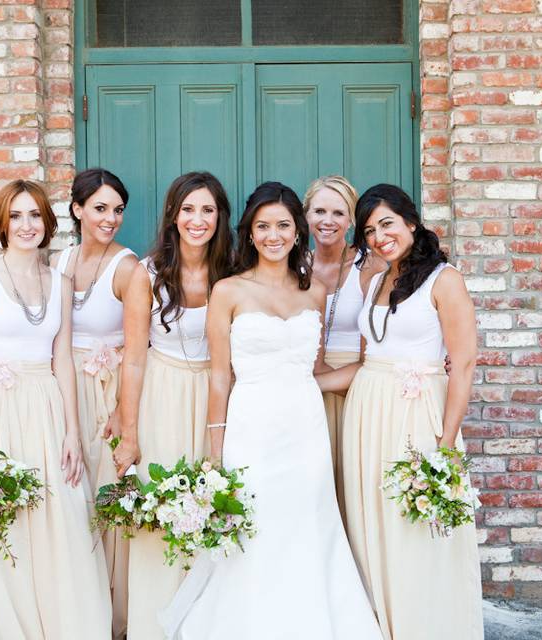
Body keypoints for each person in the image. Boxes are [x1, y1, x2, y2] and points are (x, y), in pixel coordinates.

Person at [161, 182, 383, 640]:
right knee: (256, 527)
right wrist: (216, 450)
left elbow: (316, 369)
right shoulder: (228, 291)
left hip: (305, 426)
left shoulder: (315, 292)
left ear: (297, 231)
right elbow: (221, 377)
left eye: (283, 225)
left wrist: (382, 368)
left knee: (306, 525)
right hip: (251, 426)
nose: (273, 235)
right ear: (250, 232)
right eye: (263, 226)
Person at [322, 184, 483, 640]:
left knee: (411, 530)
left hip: (416, 415)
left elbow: (464, 362)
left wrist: (446, 445)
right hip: (366, 415)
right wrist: (300, 383)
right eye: (369, 230)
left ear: (411, 222)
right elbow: (366, 361)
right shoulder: (374, 281)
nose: (378, 236)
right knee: (369, 526)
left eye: (387, 223)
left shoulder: (444, 279)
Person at [0, 179, 111, 639]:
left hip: (46, 406)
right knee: (10, 527)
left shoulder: (59, 283)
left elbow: (62, 359)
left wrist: (71, 433)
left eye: (35, 215)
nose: (27, 225)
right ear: (1, 223)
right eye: (16, 216)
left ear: (48, 222)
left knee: (61, 526)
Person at [112, 171, 234, 640]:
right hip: (162, 394)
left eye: (207, 210)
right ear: (173, 215)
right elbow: (135, 359)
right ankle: (152, 625)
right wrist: (130, 430)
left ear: (220, 217)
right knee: (162, 507)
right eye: (188, 209)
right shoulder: (148, 273)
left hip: (217, 397)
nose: (197, 219)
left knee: (212, 504)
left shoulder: (234, 269)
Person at [50, 168, 137, 639]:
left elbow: (137, 349)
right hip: (64, 390)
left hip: (107, 392)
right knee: (69, 499)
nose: (110, 218)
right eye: (100, 208)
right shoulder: (58, 262)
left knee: (106, 501)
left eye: (118, 209)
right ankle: (74, 613)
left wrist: (125, 411)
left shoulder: (128, 268)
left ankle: (111, 619)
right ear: (78, 209)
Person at [303, 175, 384, 519]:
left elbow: (377, 349)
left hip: (356, 383)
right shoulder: (294, 266)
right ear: (305, 215)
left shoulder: (370, 266)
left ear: (352, 220)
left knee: (353, 486)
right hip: (306, 387)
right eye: (319, 210)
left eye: (338, 213)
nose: (327, 221)